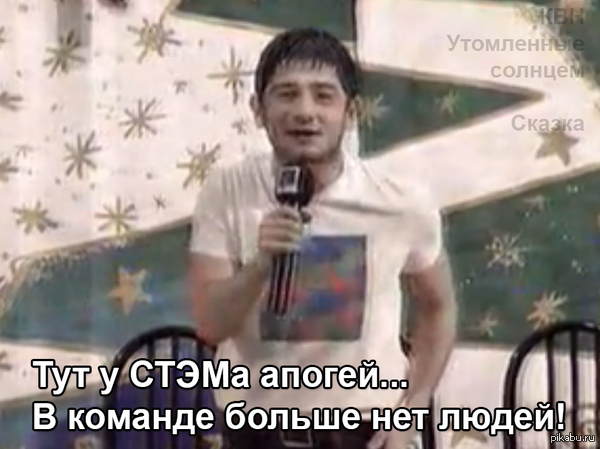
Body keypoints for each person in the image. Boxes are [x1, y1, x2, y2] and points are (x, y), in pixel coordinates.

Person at [188, 27, 457, 449]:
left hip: (363, 433)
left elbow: (438, 308)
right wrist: (260, 265)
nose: (305, 111)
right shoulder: (228, 189)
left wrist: (413, 406)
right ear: (258, 109)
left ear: (351, 112)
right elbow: (210, 324)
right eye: (287, 94)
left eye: (323, 95)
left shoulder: (401, 201)